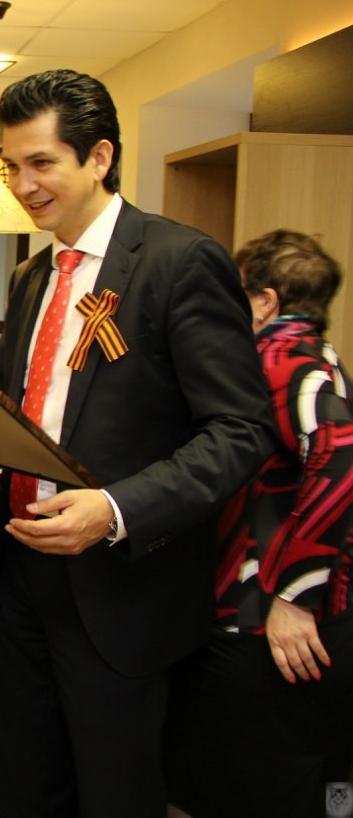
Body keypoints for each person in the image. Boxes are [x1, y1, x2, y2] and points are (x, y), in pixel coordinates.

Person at [0, 69, 274, 818]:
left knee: (115, 794)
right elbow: (13, 409)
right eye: (11, 166)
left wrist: (116, 509)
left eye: (41, 163)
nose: (23, 186)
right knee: (27, 788)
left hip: (124, 589)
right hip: (24, 575)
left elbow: (242, 430)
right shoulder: (35, 276)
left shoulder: (178, 262)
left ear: (99, 157)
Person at [164, 229, 353, 818]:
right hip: (327, 623)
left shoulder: (277, 364)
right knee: (326, 784)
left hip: (265, 622)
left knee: (251, 785)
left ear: (265, 302)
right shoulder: (324, 358)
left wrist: (295, 595)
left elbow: (342, 463)